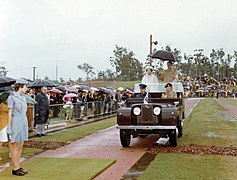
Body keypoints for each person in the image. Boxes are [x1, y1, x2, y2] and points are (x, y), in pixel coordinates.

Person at [7, 79, 29, 176]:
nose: (26, 88)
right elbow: (10, 112)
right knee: (16, 146)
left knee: (20, 146)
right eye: (25, 86)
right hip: (16, 122)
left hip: (23, 122)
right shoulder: (12, 97)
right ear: (20, 86)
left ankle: (18, 166)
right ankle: (15, 168)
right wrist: (9, 126)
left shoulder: (24, 98)